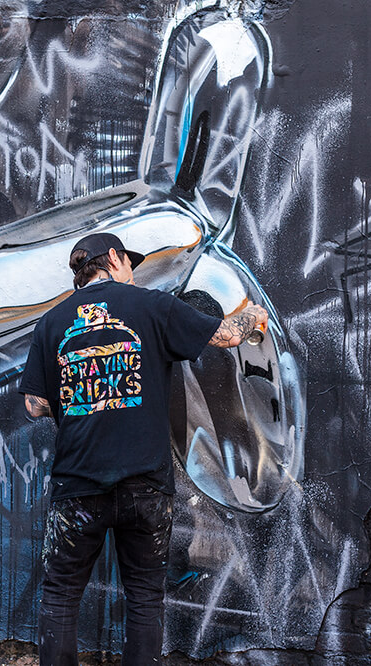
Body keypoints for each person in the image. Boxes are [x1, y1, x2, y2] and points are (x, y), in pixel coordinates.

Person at [18, 232, 268, 665]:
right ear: (113, 259)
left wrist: (79, 391)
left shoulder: (53, 322)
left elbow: (34, 405)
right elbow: (227, 336)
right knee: (145, 599)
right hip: (145, 486)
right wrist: (255, 317)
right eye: (129, 262)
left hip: (78, 486)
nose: (132, 272)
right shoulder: (152, 307)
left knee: (60, 596)